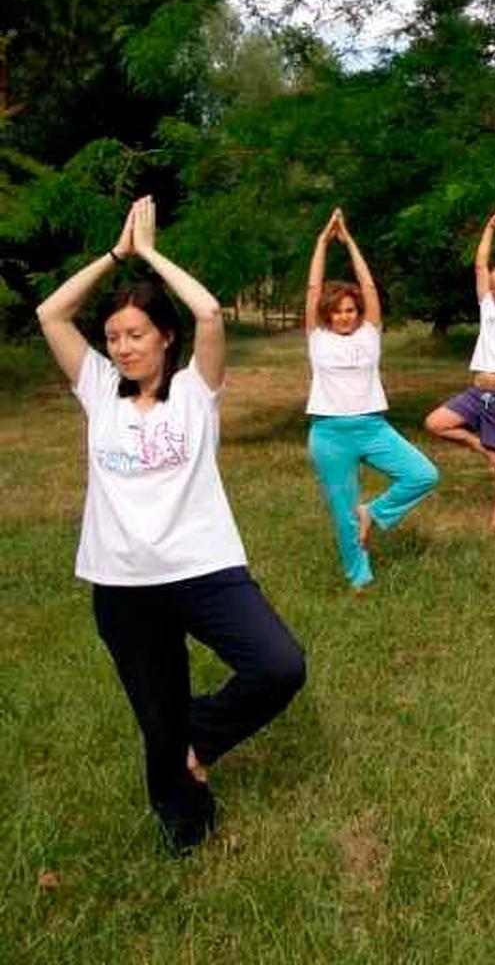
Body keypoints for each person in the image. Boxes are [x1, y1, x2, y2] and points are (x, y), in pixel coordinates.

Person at [36, 196, 306, 853]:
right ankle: (190, 833)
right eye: (114, 338)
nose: (123, 348)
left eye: (136, 334)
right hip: (122, 584)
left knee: (278, 666)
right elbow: (50, 312)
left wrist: (150, 254)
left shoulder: (195, 392)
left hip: (204, 570)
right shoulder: (98, 389)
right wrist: (113, 256)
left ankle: (190, 739)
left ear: (165, 336)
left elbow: (210, 310)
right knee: (155, 713)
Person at [306, 208, 438, 588]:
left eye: (350, 310)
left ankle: (374, 512)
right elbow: (313, 290)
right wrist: (321, 243)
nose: (345, 317)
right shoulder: (318, 337)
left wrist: (350, 243)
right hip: (329, 433)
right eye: (337, 312)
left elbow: (370, 289)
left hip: (373, 426)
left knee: (423, 474)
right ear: (326, 316)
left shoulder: (369, 333)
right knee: (341, 510)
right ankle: (359, 577)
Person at [424, 203, 495, 529]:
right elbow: (479, 265)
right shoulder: (486, 304)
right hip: (479, 391)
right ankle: (481, 447)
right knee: (435, 423)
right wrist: (489, 226)